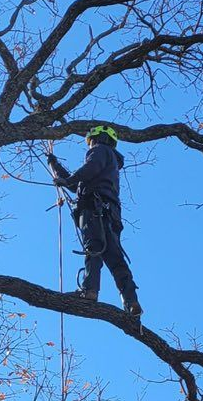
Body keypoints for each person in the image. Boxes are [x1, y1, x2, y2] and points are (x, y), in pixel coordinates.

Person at [47, 124, 141, 317]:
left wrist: (69, 180)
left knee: (94, 248)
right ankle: (131, 301)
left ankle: (89, 290)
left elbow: (90, 168)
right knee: (116, 260)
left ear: (96, 138)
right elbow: (78, 184)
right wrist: (56, 167)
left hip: (95, 209)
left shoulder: (100, 150)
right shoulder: (111, 163)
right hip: (110, 213)